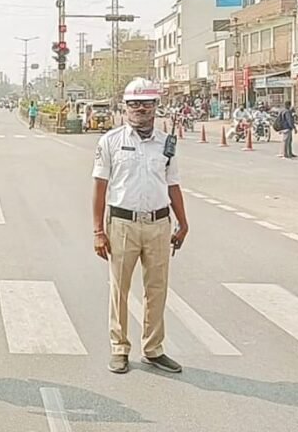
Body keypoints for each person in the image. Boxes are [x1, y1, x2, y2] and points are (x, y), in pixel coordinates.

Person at [92, 77, 190, 375]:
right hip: (122, 224)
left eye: (146, 104)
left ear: (155, 106)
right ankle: (119, 347)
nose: (140, 109)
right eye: (134, 104)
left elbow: (172, 184)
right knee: (119, 289)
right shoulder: (110, 142)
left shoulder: (166, 144)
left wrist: (183, 222)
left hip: (159, 224)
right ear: (125, 107)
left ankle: (153, 348)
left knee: (156, 289)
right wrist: (98, 231)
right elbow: (100, 187)